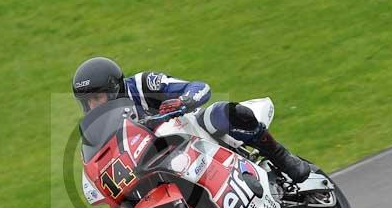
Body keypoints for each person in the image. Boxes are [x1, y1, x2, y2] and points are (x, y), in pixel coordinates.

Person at [72, 56, 311, 183]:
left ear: (115, 87)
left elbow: (199, 87)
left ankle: (280, 156)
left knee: (220, 114)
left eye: (98, 97)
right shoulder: (99, 128)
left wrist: (183, 101)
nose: (95, 105)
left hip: (189, 132)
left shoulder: (144, 84)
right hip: (160, 161)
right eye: (89, 101)